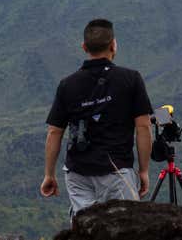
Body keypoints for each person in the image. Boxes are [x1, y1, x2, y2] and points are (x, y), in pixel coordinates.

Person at [40, 19, 153, 219]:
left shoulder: (67, 84)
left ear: (84, 47)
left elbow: (54, 132)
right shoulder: (131, 79)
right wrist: (143, 170)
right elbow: (143, 127)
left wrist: (49, 174)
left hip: (77, 173)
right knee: (124, 230)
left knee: (86, 230)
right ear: (113, 45)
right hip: (117, 171)